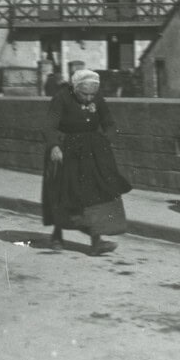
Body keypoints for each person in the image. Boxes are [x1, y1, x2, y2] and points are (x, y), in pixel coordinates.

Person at [42, 68, 132, 255]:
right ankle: (57, 235)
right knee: (65, 194)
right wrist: (54, 146)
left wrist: (106, 139)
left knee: (94, 193)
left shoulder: (97, 99)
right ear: (75, 88)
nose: (89, 98)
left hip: (92, 152)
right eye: (85, 94)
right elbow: (49, 125)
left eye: (92, 94)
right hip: (67, 150)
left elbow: (109, 123)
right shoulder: (62, 98)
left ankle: (96, 241)